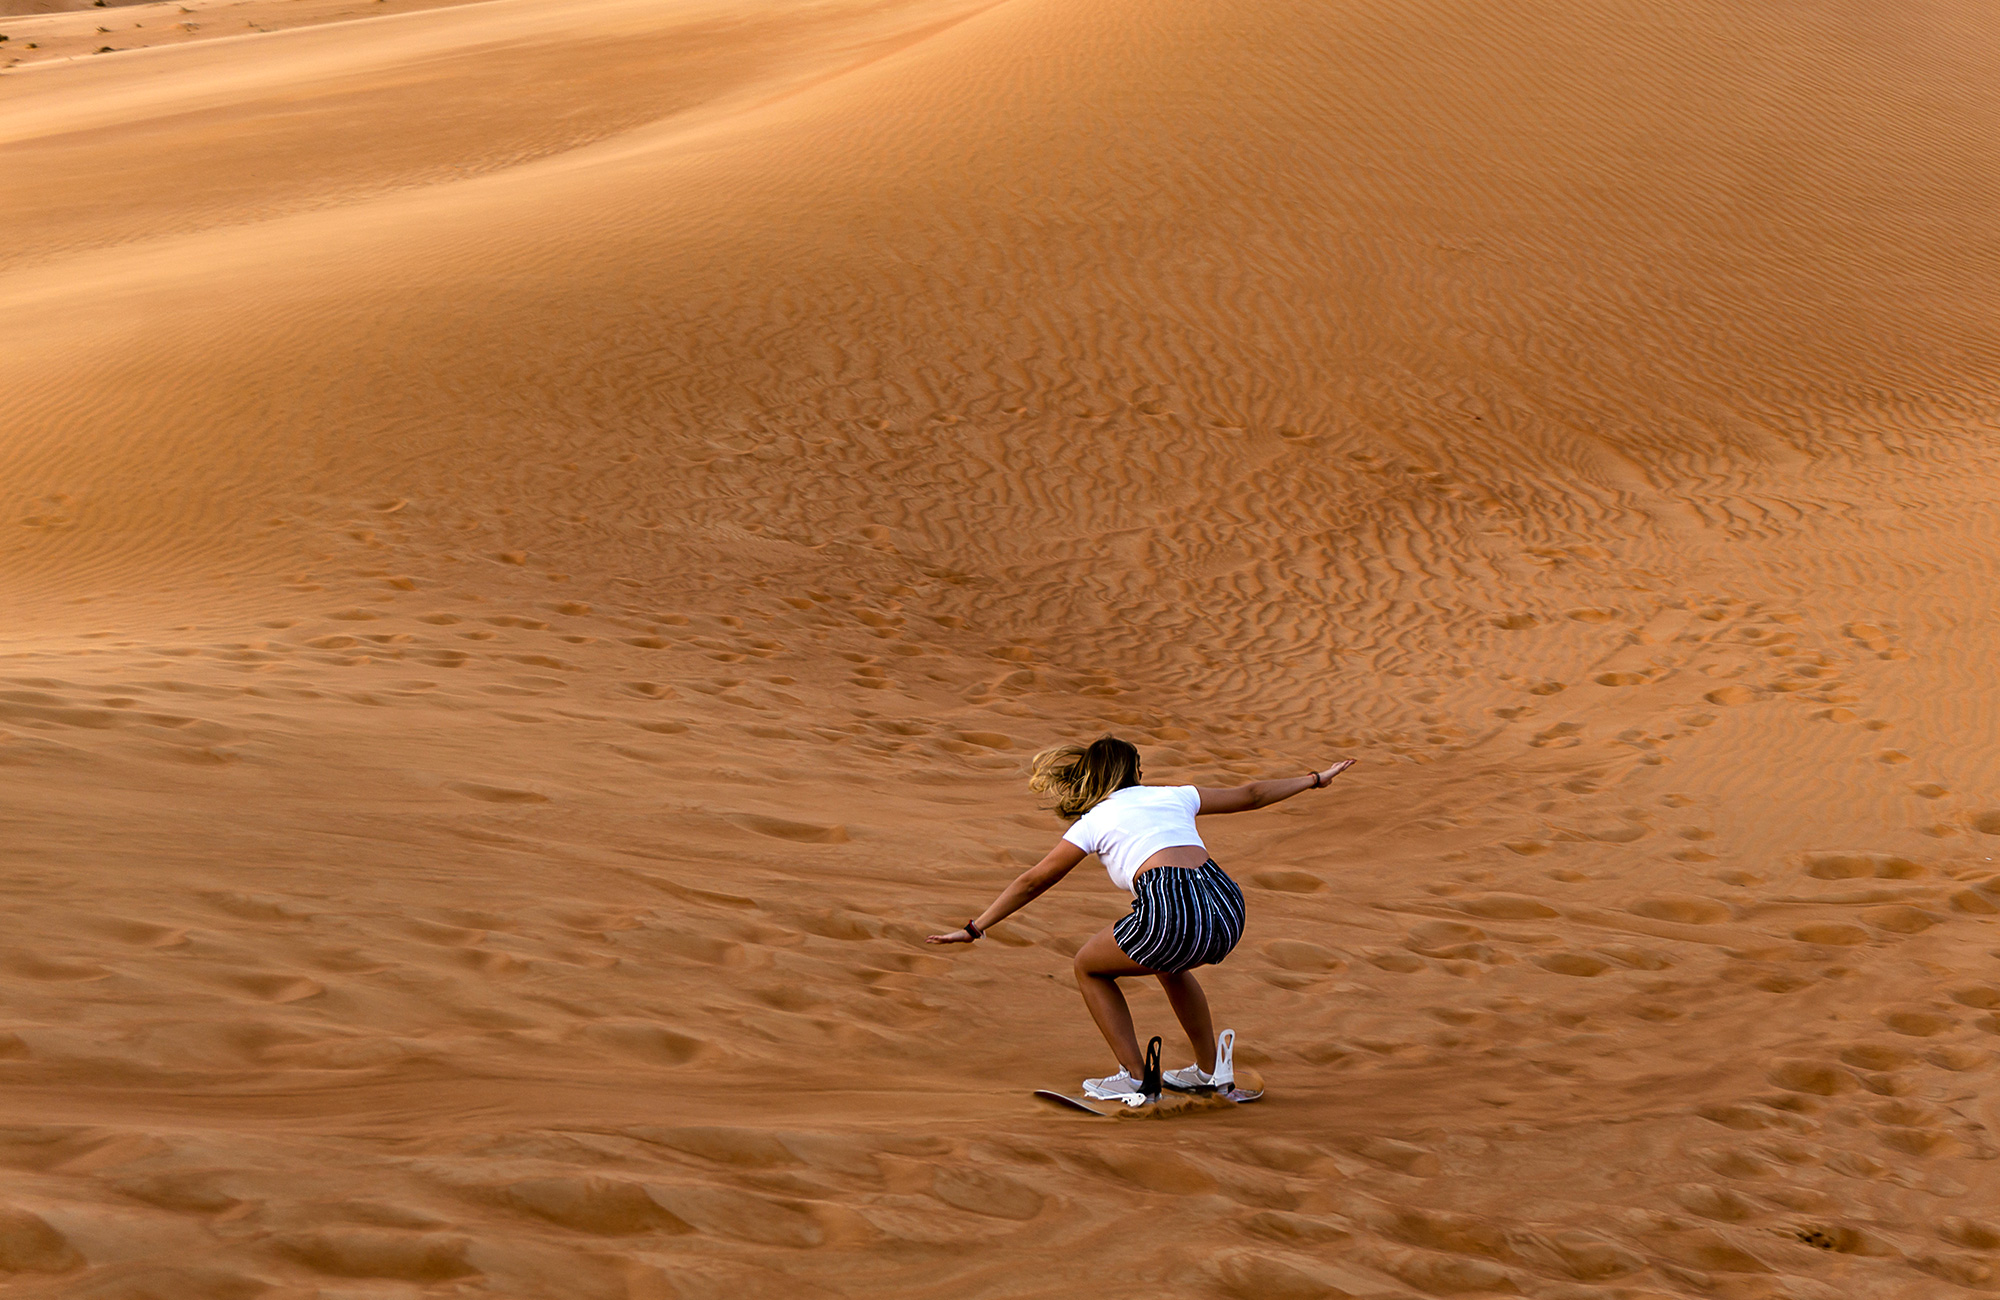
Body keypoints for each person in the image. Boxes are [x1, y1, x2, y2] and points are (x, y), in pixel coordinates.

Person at [928, 736, 1356, 1100]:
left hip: (1173, 907)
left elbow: (1033, 880)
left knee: (1088, 966)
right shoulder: (1174, 794)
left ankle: (1134, 1078)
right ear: (1135, 771)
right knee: (1170, 965)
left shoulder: (1094, 821)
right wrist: (1316, 779)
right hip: (1226, 905)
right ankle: (1209, 1073)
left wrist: (975, 927)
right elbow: (1252, 795)